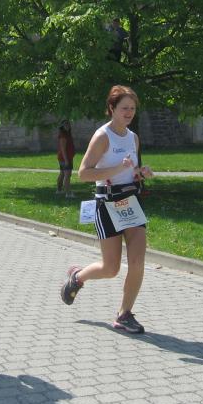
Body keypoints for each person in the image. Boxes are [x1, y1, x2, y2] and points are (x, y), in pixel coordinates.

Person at [60, 85, 154, 333]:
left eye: (132, 108)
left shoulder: (133, 138)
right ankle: (78, 277)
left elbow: (131, 171)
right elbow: (83, 173)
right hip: (108, 204)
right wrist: (116, 169)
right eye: (124, 108)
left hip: (131, 202)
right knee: (111, 268)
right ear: (112, 108)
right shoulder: (103, 136)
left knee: (137, 262)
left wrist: (140, 172)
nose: (129, 113)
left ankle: (124, 314)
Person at [56, 120, 76, 199]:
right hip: (65, 158)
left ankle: (59, 190)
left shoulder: (67, 134)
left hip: (65, 158)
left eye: (68, 124)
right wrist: (66, 160)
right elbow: (63, 149)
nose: (67, 126)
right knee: (67, 175)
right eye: (65, 124)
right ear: (62, 126)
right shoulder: (63, 136)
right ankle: (68, 193)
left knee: (62, 174)